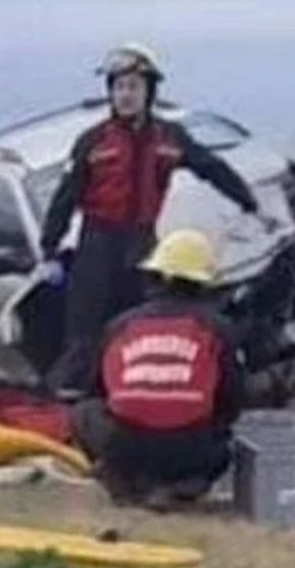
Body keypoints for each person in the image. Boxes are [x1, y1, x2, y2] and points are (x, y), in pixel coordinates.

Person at [40, 43, 276, 395]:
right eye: (119, 87)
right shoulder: (92, 141)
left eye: (134, 87)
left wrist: (250, 204)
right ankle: (72, 410)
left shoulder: (170, 137)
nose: (126, 95)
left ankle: (135, 402)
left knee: (139, 330)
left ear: (149, 91)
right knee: (84, 339)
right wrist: (48, 249)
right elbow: (65, 198)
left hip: (142, 243)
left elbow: (212, 168)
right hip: (97, 245)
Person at [71, 230, 244, 509]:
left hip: (124, 446)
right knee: (224, 439)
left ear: (156, 276)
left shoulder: (120, 325)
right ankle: (179, 487)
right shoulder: (219, 329)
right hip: (192, 451)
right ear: (203, 283)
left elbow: (97, 390)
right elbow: (233, 399)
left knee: (82, 412)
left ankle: (121, 481)